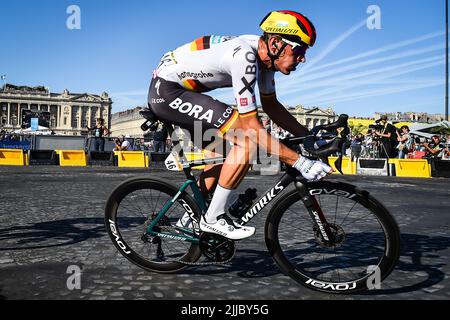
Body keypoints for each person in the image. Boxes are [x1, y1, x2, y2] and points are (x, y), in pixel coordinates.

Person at [147, 10, 333, 240]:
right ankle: (213, 218)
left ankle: (190, 217)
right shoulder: (245, 56)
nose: (303, 58)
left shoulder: (264, 59)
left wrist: (308, 138)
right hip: (168, 91)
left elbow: (272, 106)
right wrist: (300, 162)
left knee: (223, 154)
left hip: (180, 89)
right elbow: (252, 128)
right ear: (275, 43)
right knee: (246, 140)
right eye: (299, 50)